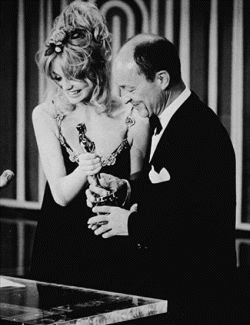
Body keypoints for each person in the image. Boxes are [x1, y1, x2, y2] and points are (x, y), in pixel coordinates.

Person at [86, 34, 238, 323]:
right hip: (175, 289)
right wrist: (126, 189)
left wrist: (129, 223)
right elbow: (176, 194)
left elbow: (196, 222)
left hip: (196, 298)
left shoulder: (199, 131)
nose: (124, 98)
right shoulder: (170, 120)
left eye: (129, 88)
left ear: (162, 79)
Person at [29, 1, 150, 292]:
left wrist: (118, 189)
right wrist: (84, 170)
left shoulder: (133, 117)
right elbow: (59, 194)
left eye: (74, 75)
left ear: (95, 66)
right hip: (59, 251)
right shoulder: (46, 115)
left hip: (113, 253)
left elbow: (140, 194)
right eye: (58, 78)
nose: (66, 86)